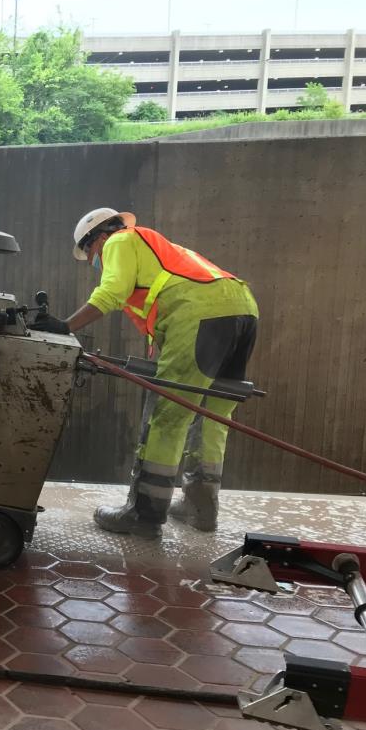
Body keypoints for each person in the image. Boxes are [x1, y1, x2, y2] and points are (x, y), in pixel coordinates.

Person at [31, 208, 258, 539]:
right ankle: (201, 506)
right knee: (211, 415)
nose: (96, 261)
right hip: (243, 308)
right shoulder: (162, 248)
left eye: (91, 254)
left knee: (168, 415)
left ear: (97, 239)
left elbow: (112, 293)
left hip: (200, 315)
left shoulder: (119, 241)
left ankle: (144, 514)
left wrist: (64, 326)